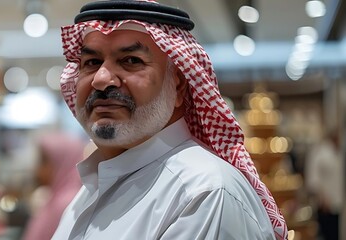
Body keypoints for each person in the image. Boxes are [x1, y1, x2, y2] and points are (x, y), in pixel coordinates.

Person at [51, 0, 288, 239]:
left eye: (131, 61)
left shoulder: (203, 194)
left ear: (179, 85)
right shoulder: (89, 191)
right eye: (91, 62)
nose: (101, 79)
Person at [23, 132, 85, 240]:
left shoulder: (67, 203)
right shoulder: (56, 198)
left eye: (44, 161)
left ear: (63, 162)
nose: (38, 169)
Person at [305, 132, 342, 240]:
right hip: (325, 205)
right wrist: (322, 198)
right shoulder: (320, 152)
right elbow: (313, 179)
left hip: (337, 203)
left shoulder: (338, 153)